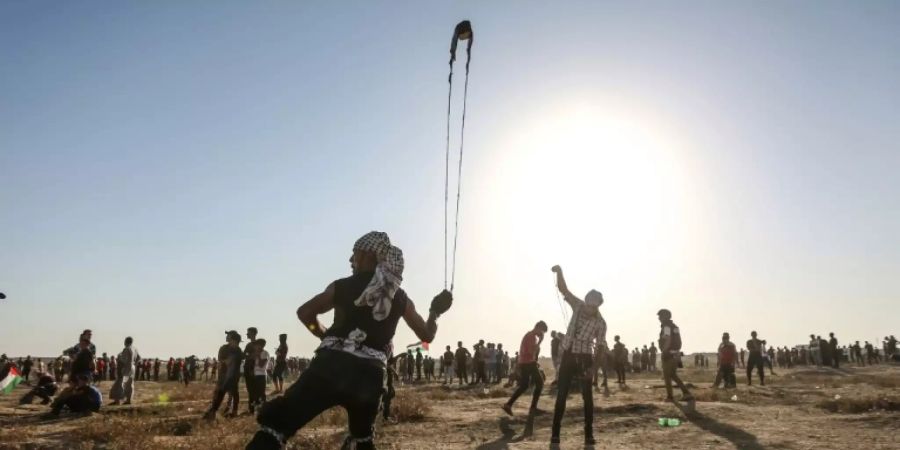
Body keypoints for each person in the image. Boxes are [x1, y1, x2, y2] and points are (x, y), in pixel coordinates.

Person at [246, 231, 451, 449]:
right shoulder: (400, 297)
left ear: (367, 255)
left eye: (354, 254)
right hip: (370, 377)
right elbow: (427, 335)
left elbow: (305, 313)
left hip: (329, 369)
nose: (351, 260)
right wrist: (435, 312)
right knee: (361, 441)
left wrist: (324, 335)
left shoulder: (343, 286)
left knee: (275, 428)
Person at [549, 265, 607, 446]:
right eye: (587, 304)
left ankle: (588, 434)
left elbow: (601, 348)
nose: (588, 308)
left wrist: (593, 369)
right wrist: (559, 272)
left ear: (597, 305)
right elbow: (563, 289)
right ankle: (555, 434)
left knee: (587, 397)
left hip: (584, 359)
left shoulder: (600, 323)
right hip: (567, 355)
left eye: (592, 306)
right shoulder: (578, 305)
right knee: (561, 395)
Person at [502, 321, 547, 416]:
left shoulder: (529, 335)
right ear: (538, 328)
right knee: (540, 383)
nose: (542, 334)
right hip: (528, 363)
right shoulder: (531, 337)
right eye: (542, 332)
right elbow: (531, 351)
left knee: (524, 385)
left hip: (524, 362)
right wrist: (540, 341)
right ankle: (533, 408)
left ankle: (508, 404)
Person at [204, 331, 244, 420]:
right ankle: (212, 412)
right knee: (219, 394)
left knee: (234, 394)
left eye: (228, 335)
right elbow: (221, 360)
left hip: (233, 376)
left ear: (233, 339)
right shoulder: (224, 348)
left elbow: (237, 362)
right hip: (223, 375)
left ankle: (234, 411)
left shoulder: (238, 350)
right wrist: (226, 361)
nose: (227, 337)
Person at [658, 309, 692, 402]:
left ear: (665, 316)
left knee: (667, 376)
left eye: (660, 316)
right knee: (673, 375)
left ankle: (670, 397)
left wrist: (664, 351)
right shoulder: (674, 326)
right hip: (675, 353)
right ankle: (686, 393)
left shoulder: (666, 327)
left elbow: (668, 339)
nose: (659, 318)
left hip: (668, 353)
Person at [110, 337, 139, 405]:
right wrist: (134, 364)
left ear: (125, 342)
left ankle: (117, 401)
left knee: (119, 384)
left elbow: (123, 360)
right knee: (130, 384)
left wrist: (119, 357)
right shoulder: (135, 349)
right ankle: (128, 400)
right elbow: (139, 358)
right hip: (132, 367)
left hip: (126, 367)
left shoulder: (127, 348)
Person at [243, 327, 260, 414]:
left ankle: (253, 409)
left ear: (253, 333)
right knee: (251, 389)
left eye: (248, 333)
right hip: (248, 368)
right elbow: (244, 355)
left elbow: (256, 356)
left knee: (253, 389)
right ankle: (252, 408)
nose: (247, 334)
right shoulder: (249, 345)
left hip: (252, 369)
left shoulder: (255, 345)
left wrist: (249, 356)